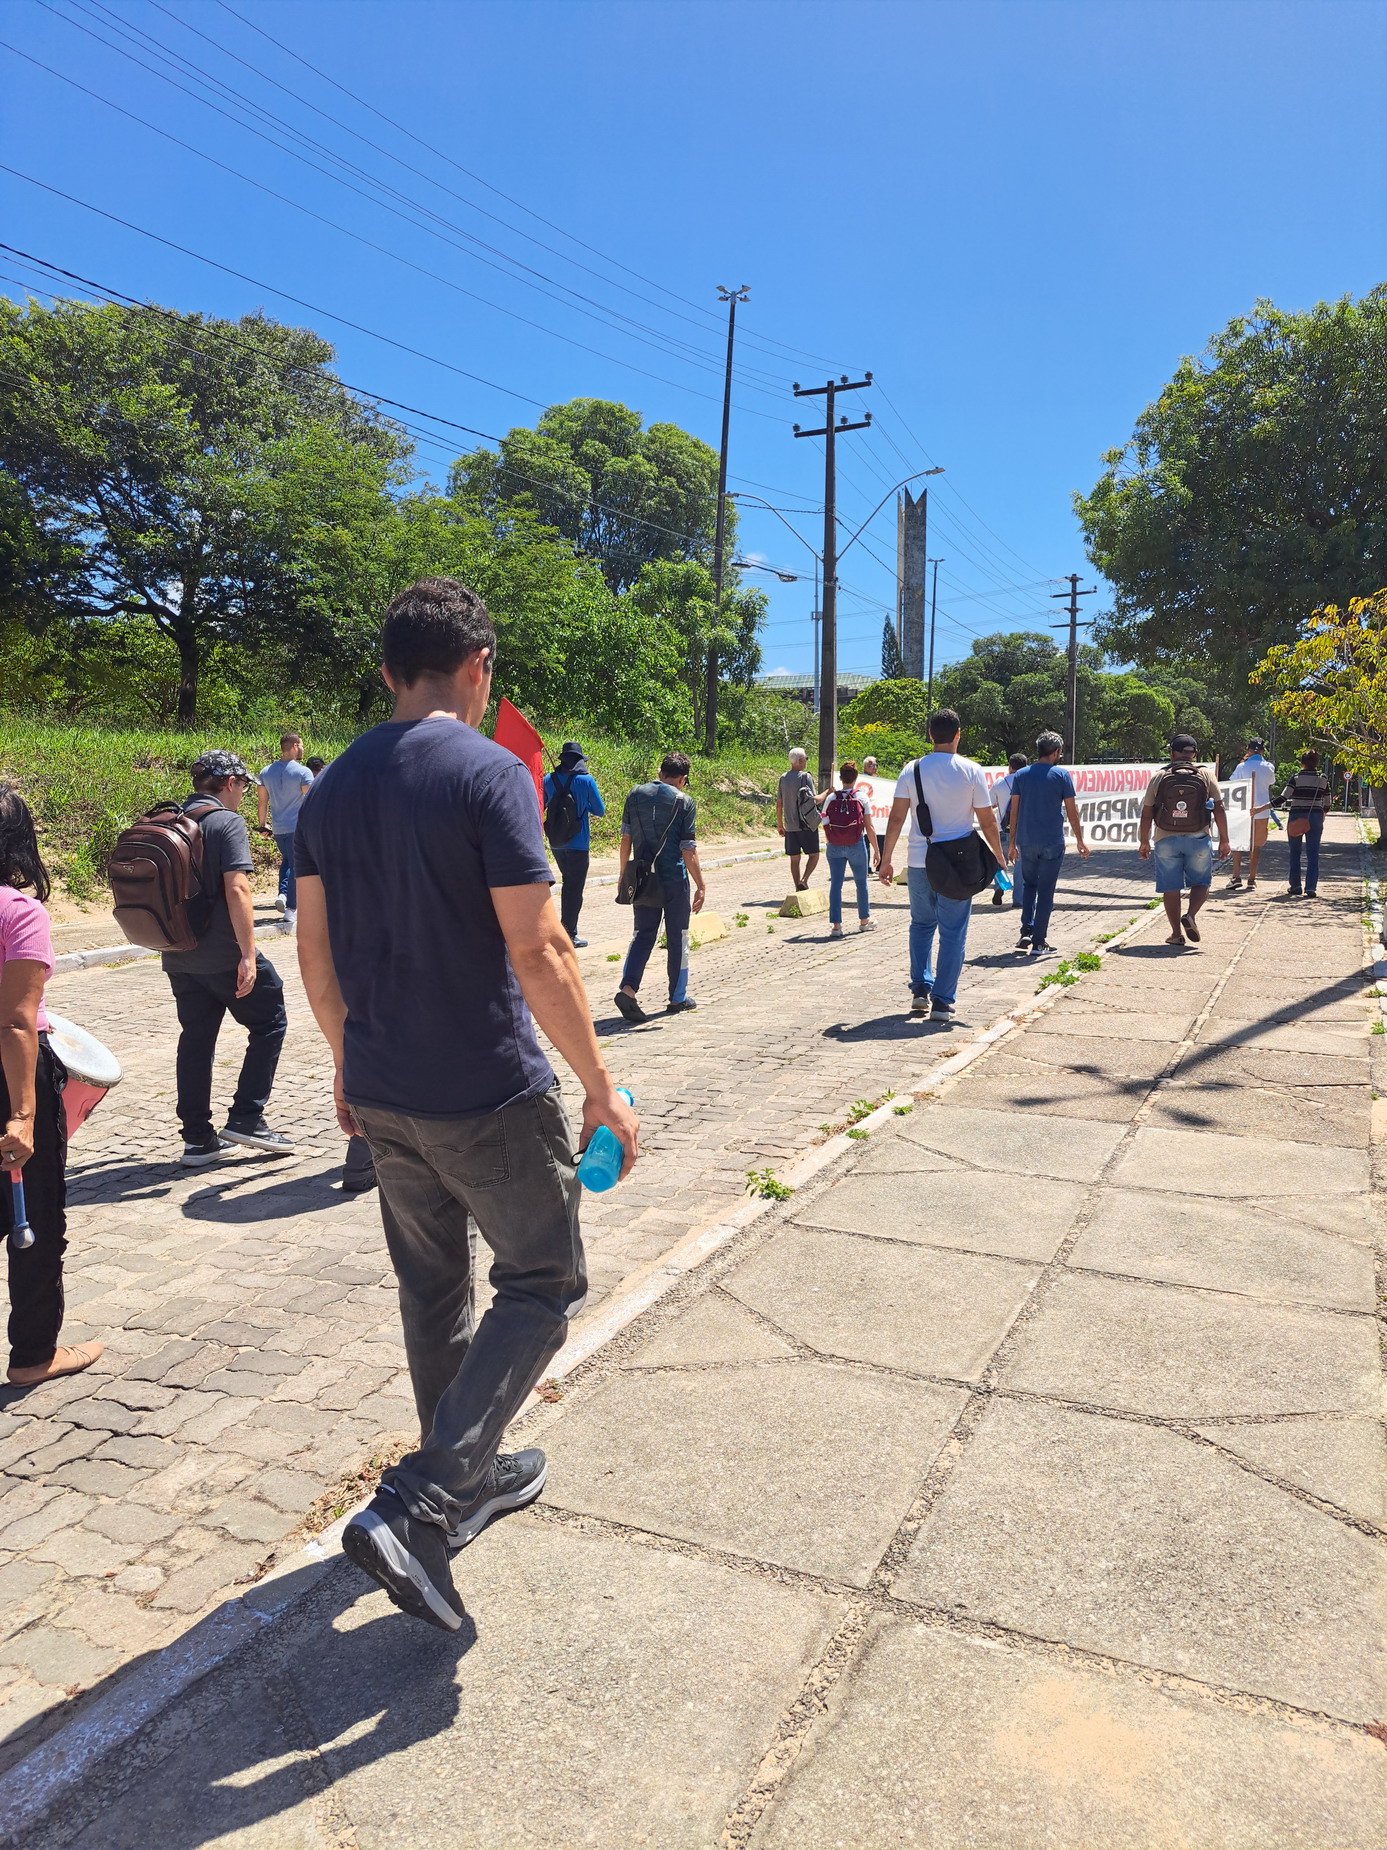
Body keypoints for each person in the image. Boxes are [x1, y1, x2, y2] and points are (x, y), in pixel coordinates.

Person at [294, 577, 638, 1632]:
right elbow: (539, 946)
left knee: (432, 1287)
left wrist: (346, 1063)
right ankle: (425, 1500)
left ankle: (464, 1481)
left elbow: (313, 953)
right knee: (543, 1278)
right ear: (480, 666)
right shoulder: (491, 772)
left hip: (383, 1091)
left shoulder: (329, 789)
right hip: (486, 1089)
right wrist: (599, 1088)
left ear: (387, 672)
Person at [0, 787, 103, 1388]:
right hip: (13, 1073)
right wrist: (22, 1115)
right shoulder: (18, 911)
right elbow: (15, 1021)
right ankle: (34, 1354)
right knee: (35, 1216)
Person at [163, 752, 294, 1165]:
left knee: (196, 1039)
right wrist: (248, 954)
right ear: (231, 782)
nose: (243, 794)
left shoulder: (171, 819)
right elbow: (237, 889)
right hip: (222, 954)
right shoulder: (225, 822)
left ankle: (197, 1139)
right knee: (270, 1021)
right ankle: (247, 1118)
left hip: (178, 955)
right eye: (243, 785)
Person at [878, 709, 1006, 1022]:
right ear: (958, 734)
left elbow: (896, 818)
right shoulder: (971, 770)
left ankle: (920, 989)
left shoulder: (911, 770)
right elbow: (987, 820)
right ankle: (942, 1002)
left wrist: (886, 859)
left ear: (930, 735)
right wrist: (999, 855)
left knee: (921, 925)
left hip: (919, 862)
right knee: (953, 933)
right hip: (959, 865)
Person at [614, 753, 705, 1024]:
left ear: (659, 772)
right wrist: (701, 885)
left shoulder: (634, 794)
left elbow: (626, 838)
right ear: (683, 779)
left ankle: (628, 990)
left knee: (642, 935)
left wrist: (623, 873)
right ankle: (677, 998)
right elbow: (688, 850)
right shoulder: (684, 801)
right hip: (674, 879)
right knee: (678, 938)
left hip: (643, 878)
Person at [1139, 734, 1230, 948]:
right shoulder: (1205, 774)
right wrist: (1224, 840)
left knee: (1170, 887)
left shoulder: (1160, 776)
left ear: (1172, 753)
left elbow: (1147, 811)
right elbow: (1219, 808)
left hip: (1165, 838)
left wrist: (1144, 841)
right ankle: (1190, 915)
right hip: (1198, 837)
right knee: (1201, 882)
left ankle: (1176, 934)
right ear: (1194, 755)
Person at [1007, 732, 1090, 956]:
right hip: (1052, 841)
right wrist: (1080, 839)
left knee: (1029, 885)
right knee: (1046, 890)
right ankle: (1039, 941)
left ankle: (1026, 929)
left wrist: (1011, 842)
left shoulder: (1021, 775)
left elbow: (1014, 811)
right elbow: (1072, 811)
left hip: (1026, 840)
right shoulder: (1061, 775)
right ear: (1056, 752)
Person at [542, 742, 605, 948]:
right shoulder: (586, 780)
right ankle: (569, 934)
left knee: (568, 883)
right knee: (574, 888)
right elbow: (600, 810)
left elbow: (540, 805)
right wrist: (583, 804)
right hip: (578, 843)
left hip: (556, 842)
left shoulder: (549, 779)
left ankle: (564, 930)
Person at [257, 733, 314, 924]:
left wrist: (262, 825)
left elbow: (262, 802)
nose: (303, 748)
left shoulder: (266, 772)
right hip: (298, 828)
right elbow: (312, 801)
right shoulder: (303, 772)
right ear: (295, 746)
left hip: (278, 828)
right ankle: (291, 908)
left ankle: (282, 893)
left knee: (288, 861)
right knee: (298, 867)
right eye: (302, 745)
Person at [821, 761, 877, 939]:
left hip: (834, 846)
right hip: (856, 844)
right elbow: (869, 827)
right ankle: (864, 921)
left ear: (840, 778)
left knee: (836, 885)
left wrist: (831, 839)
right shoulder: (862, 797)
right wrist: (877, 850)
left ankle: (836, 926)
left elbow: (824, 821)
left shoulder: (831, 798)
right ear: (856, 778)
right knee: (861, 883)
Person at [1282, 749, 1333, 899]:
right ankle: (1311, 887)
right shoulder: (1323, 779)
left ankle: (1295, 886)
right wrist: (1323, 813)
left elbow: (1284, 797)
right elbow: (1328, 802)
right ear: (1317, 763)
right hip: (1315, 816)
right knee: (1313, 853)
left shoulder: (1296, 778)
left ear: (1302, 763)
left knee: (1295, 852)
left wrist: (1266, 806)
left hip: (1296, 816)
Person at [1226, 737, 1274, 890]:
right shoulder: (1269, 767)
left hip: (1242, 810)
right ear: (1262, 751)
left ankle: (1236, 876)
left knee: (1238, 844)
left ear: (1248, 750)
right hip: (1262, 810)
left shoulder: (1241, 767)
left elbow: (1233, 783)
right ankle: (1252, 878)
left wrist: (1244, 760)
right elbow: (1271, 782)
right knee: (1256, 846)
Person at [777, 748, 821, 890]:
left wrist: (780, 824)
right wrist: (828, 792)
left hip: (790, 825)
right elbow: (814, 800)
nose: (806, 761)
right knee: (814, 854)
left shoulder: (783, 778)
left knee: (794, 858)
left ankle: (797, 886)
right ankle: (804, 880)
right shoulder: (805, 777)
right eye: (806, 758)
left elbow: (779, 803)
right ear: (801, 760)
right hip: (806, 824)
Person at [990, 752, 1029, 907]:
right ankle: (1018, 899)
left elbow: (990, 804)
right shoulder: (1029, 783)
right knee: (1020, 866)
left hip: (1003, 829)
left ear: (1010, 766)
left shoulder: (1000, 783)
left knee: (1000, 860)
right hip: (1023, 830)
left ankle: (999, 886)